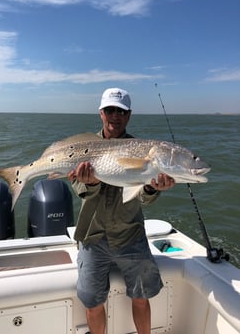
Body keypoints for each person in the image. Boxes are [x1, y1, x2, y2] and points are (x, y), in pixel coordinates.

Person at [68, 88, 175, 334]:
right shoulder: (84, 148)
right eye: (109, 110)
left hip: (130, 235)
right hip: (92, 236)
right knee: (92, 301)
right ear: (100, 113)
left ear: (129, 115)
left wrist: (152, 188)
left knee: (142, 296)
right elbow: (79, 190)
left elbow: (144, 199)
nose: (114, 116)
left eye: (121, 111)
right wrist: (90, 183)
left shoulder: (143, 150)